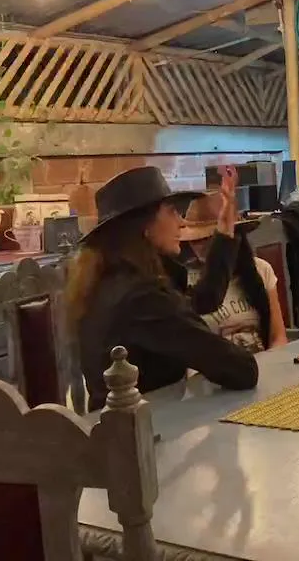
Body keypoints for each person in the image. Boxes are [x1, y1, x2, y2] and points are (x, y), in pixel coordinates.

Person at [67, 165, 259, 411]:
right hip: (148, 430)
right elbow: (241, 369)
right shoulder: (142, 297)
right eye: (171, 211)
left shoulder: (107, 281)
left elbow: (201, 301)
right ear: (144, 227)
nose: (182, 221)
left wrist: (224, 231)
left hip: (115, 426)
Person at [178, 192, 289, 352]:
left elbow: (278, 337)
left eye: (208, 238)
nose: (199, 246)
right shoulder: (184, 281)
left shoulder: (260, 269)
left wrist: (269, 362)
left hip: (263, 361)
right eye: (195, 240)